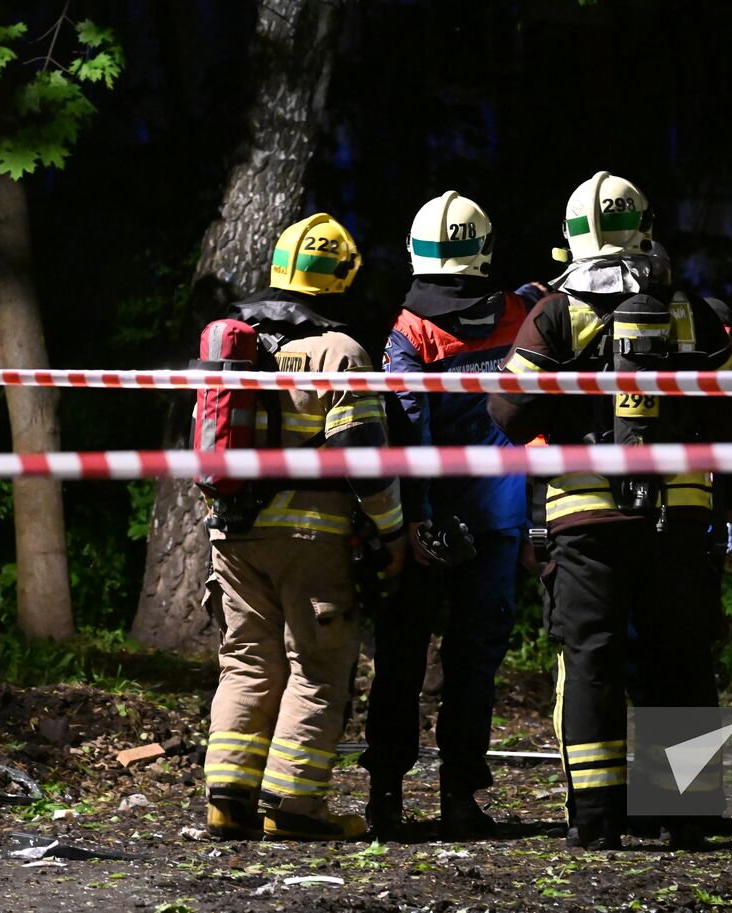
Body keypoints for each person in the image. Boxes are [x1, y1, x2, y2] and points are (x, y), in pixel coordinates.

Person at [488, 171, 732, 850]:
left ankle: (597, 818)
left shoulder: (556, 311)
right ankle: (689, 812)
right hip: (683, 514)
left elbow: (507, 410)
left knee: (592, 659)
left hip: (585, 514)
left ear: (575, 236)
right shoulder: (691, 309)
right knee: (683, 660)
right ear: (646, 226)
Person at [201, 212, 407, 841]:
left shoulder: (232, 345)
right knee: (318, 666)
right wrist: (393, 534)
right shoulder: (340, 353)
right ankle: (293, 808)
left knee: (246, 663)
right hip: (311, 536)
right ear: (342, 278)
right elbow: (364, 459)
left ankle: (228, 803)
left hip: (231, 532)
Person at [362, 191, 529, 840]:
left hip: (424, 523)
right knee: (474, 661)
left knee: (402, 658)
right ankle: (460, 797)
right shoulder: (521, 313)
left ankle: (386, 798)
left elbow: (408, 430)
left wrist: (416, 523)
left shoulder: (409, 329)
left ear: (416, 251)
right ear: (483, 249)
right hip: (498, 518)